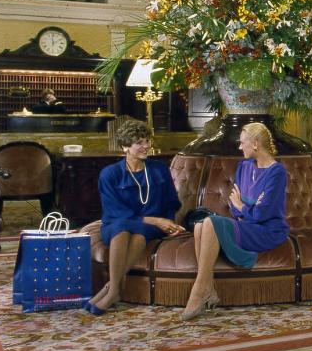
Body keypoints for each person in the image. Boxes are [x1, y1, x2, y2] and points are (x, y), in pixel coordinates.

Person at [181, 122, 290, 320]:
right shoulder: (244, 166)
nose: (239, 148)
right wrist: (244, 208)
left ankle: (198, 291)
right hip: (247, 223)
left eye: (242, 143)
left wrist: (243, 207)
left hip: (268, 231)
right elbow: (234, 204)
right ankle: (209, 289)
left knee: (211, 223)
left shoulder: (277, 173)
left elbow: (261, 215)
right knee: (200, 225)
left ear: (255, 144)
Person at [92, 119, 181, 315]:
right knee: (122, 229)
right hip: (116, 224)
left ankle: (111, 288)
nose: (146, 146)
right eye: (139, 142)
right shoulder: (110, 174)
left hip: (152, 226)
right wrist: (155, 220)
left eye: (147, 140)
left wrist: (168, 222)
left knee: (139, 233)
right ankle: (115, 288)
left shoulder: (159, 169)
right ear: (125, 146)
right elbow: (115, 211)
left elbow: (171, 201)